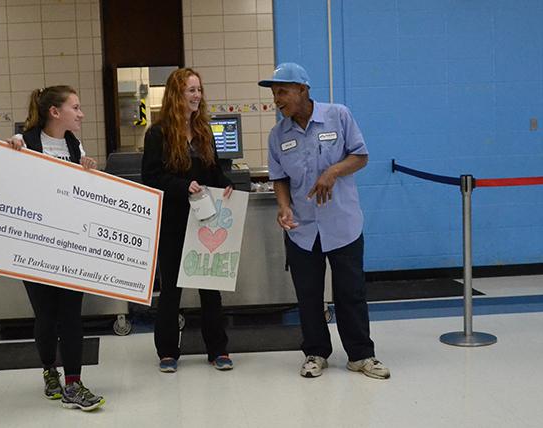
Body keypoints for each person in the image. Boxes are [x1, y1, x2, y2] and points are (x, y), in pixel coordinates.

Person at [258, 63, 390, 380]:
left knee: (351, 293)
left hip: (342, 225)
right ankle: (316, 353)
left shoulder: (338, 115)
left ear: (303, 89)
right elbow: (278, 178)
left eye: (282, 92)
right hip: (302, 230)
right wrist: (283, 207)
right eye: (274, 94)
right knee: (308, 296)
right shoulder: (278, 135)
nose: (277, 99)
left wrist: (332, 173)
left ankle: (361, 355)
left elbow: (361, 156)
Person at [7, 86, 105, 410]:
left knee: (71, 315)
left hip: (69, 245)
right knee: (46, 316)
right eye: (75, 107)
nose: (81, 113)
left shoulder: (74, 145)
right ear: (54, 112)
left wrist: (87, 172)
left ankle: (74, 384)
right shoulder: (25, 142)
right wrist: (10, 155)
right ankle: (50, 370)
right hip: (34, 246)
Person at [141, 68, 234, 373]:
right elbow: (152, 178)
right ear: (175, 95)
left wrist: (226, 183)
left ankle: (217, 349)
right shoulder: (158, 133)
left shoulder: (205, 131)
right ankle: (168, 352)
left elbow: (214, 171)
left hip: (205, 221)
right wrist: (184, 186)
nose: (196, 96)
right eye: (190, 90)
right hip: (173, 222)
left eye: (198, 90)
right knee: (172, 291)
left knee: (210, 288)